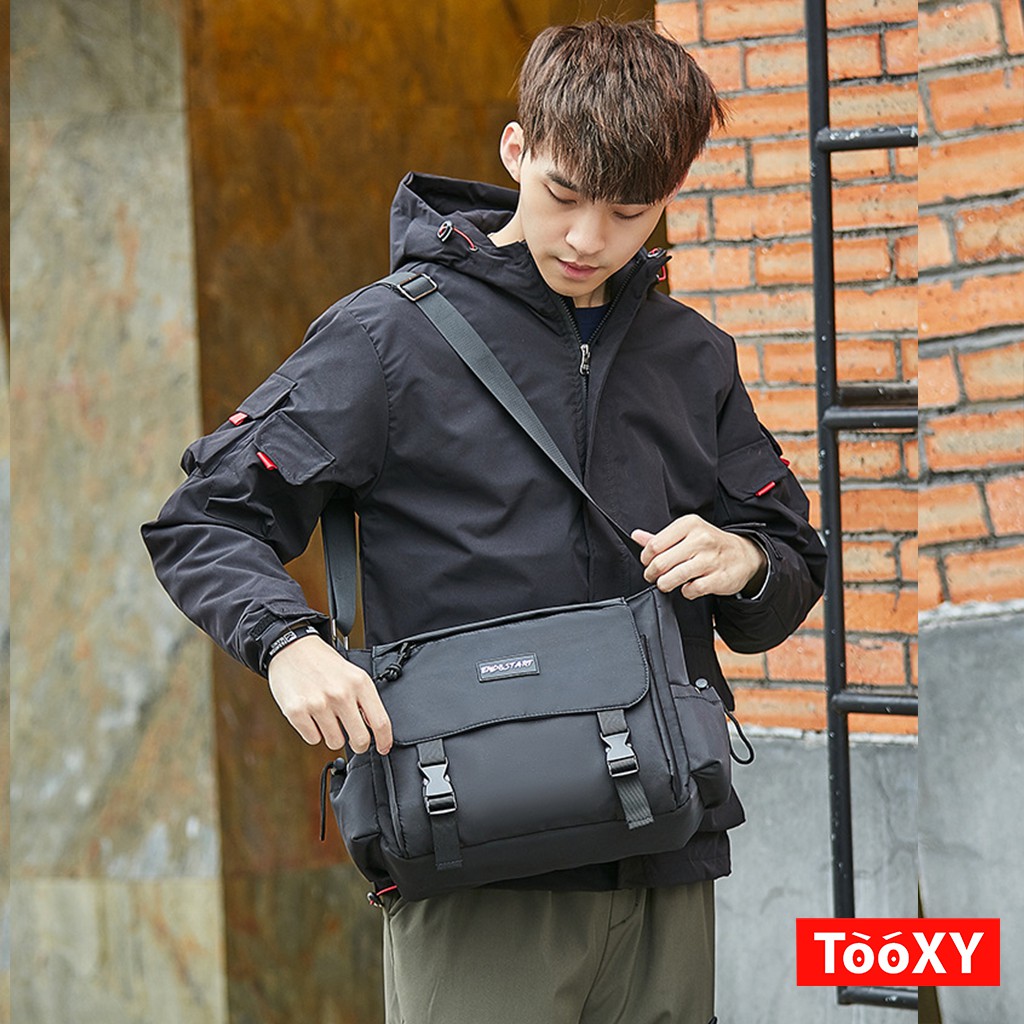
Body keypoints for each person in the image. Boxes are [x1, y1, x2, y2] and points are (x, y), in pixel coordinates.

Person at [143, 18, 826, 1024]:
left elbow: (790, 567)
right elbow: (203, 518)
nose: (587, 239)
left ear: (670, 196)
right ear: (515, 149)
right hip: (473, 857)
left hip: (665, 852)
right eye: (563, 194)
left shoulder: (693, 356)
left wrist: (745, 561)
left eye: (627, 212)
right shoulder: (383, 339)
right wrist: (287, 644)